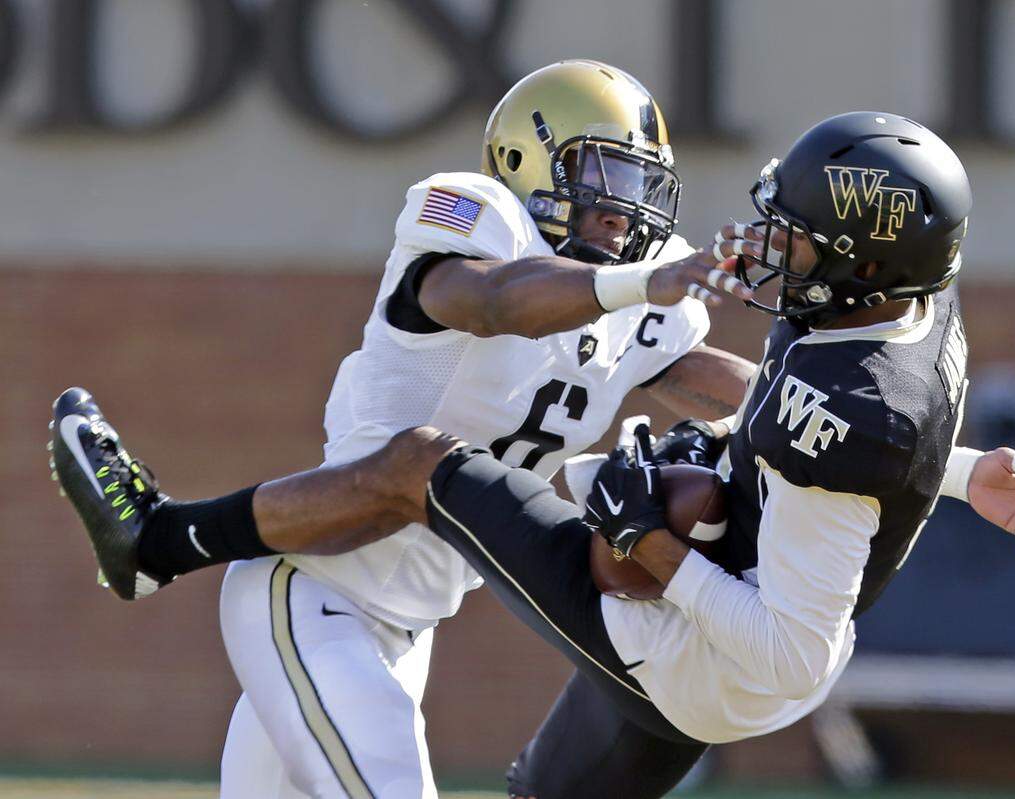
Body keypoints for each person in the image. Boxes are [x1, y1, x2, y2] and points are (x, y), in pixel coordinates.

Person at [53, 60, 764, 798]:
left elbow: (738, 395)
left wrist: (844, 391)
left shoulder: (639, 303)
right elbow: (494, 301)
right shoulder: (480, 222)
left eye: (638, 185)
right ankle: (163, 538)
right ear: (527, 160)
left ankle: (162, 539)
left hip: (405, 628)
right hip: (315, 590)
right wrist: (637, 284)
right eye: (603, 176)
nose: (623, 210)